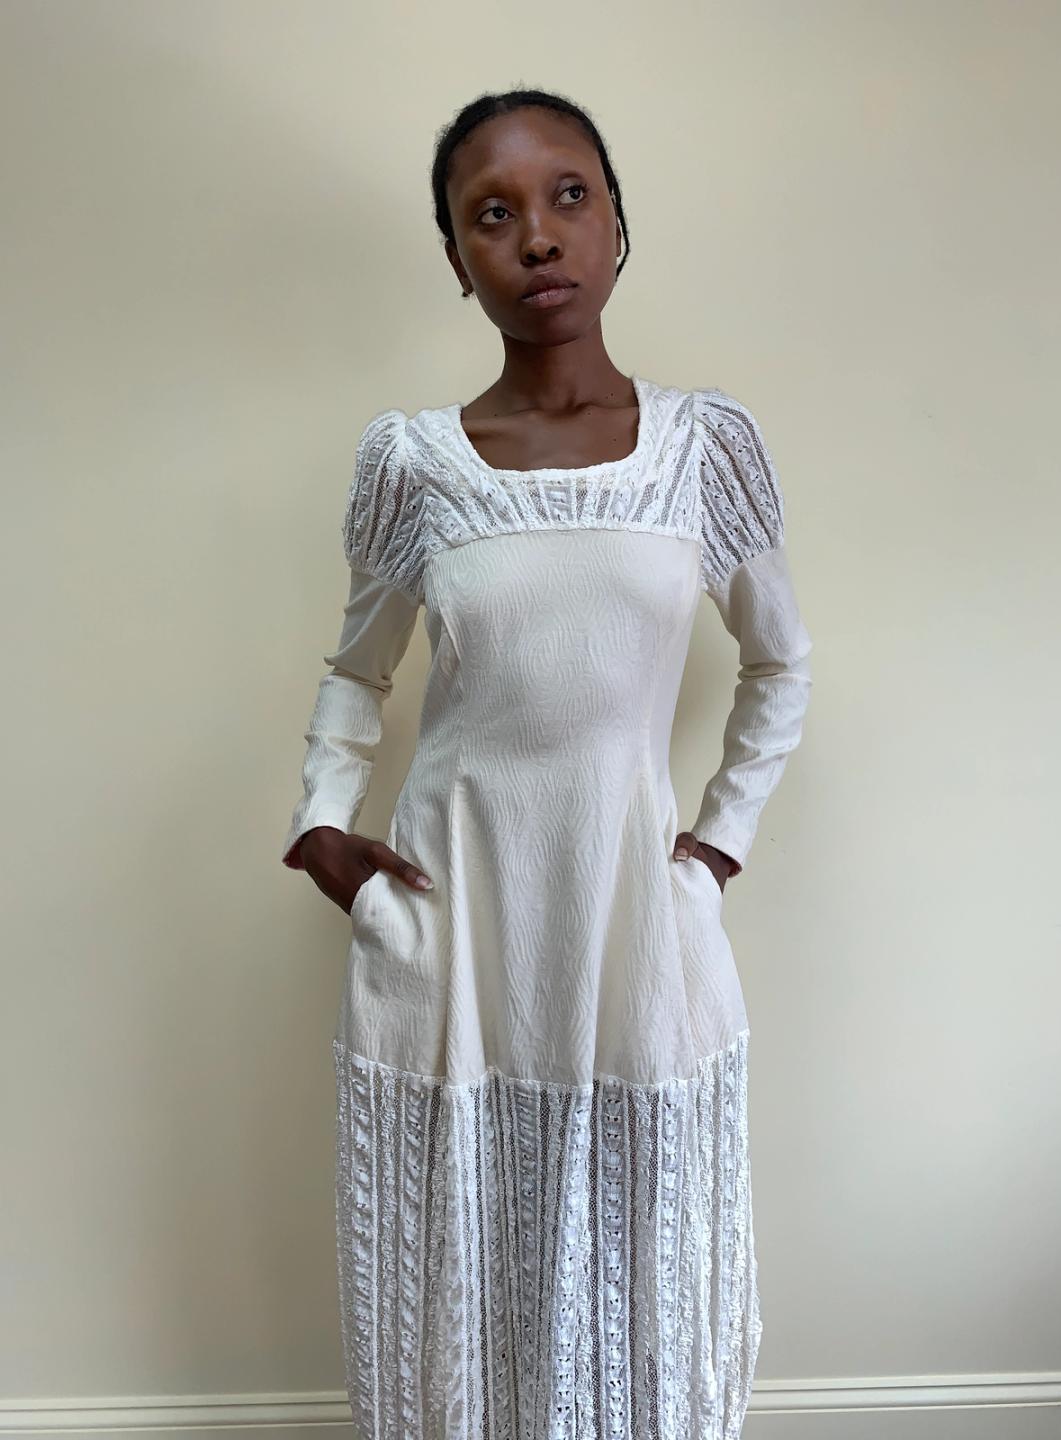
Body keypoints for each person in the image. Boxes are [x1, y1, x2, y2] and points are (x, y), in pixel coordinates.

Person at [282, 86, 813, 1440]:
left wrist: (717, 846)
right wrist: (327, 828)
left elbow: (781, 662)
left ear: (617, 222)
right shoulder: (413, 464)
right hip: (459, 927)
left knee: (647, 1275)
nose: (537, 236)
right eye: (492, 214)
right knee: (465, 1277)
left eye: (569, 195)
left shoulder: (704, 448)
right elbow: (358, 670)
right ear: (457, 258)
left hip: (633, 922)